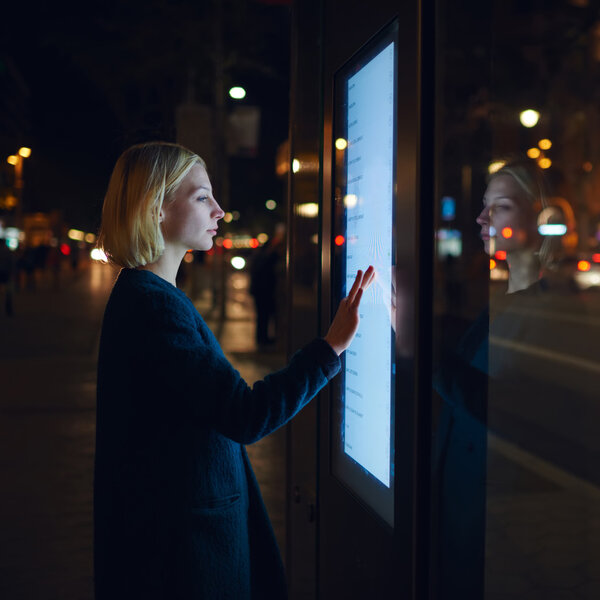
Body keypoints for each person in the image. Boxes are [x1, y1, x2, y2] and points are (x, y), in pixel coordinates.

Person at [93, 141, 374, 600]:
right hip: (184, 555)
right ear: (156, 208)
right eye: (202, 197)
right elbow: (246, 414)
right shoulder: (153, 306)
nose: (220, 210)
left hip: (174, 540)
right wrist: (331, 347)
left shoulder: (145, 295)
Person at [433, 158, 567, 598]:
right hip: (468, 510)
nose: (481, 218)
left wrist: (421, 349)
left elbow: (506, 407)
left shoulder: (547, 311)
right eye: (484, 206)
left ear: (538, 218)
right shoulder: (504, 299)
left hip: (497, 521)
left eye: (501, 207)